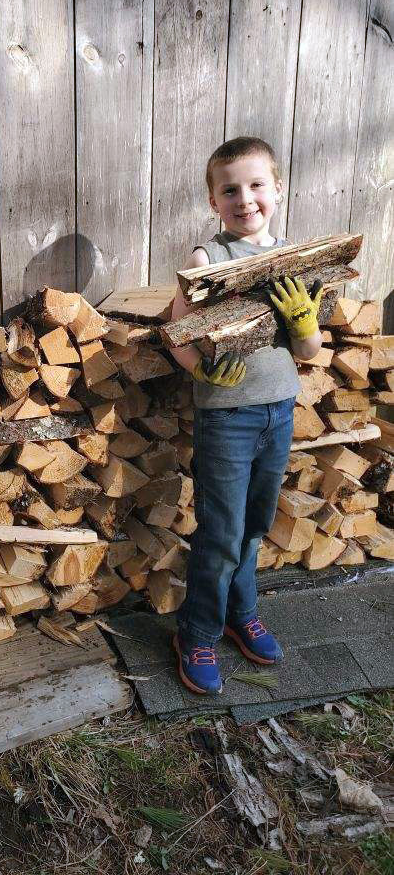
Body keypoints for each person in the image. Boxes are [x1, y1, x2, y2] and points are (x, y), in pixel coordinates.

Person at [167, 137, 323, 695]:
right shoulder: (208, 260)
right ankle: (197, 632)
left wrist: (303, 320)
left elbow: (307, 354)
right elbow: (175, 333)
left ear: (277, 190)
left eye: (257, 185)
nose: (245, 198)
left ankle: (240, 613)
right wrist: (202, 373)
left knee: (254, 526)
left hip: (278, 411)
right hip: (227, 417)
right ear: (213, 201)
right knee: (222, 531)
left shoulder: (296, 260)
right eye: (229, 189)